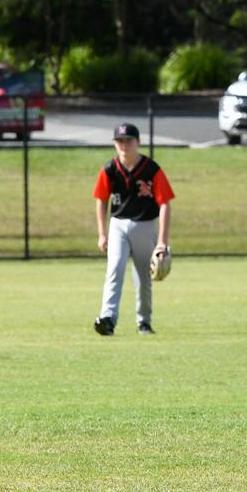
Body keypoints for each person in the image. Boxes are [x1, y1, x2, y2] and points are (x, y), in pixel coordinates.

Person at [92, 123, 174, 336]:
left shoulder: (151, 169)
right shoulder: (109, 169)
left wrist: (162, 242)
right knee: (114, 269)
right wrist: (102, 233)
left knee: (144, 276)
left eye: (128, 140)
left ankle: (144, 321)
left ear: (138, 142)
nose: (124, 145)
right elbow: (101, 200)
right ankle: (108, 318)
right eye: (120, 141)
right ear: (114, 144)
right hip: (118, 225)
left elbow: (165, 203)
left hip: (146, 225)